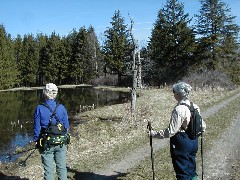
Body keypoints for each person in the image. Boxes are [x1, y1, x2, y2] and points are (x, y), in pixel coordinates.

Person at [149, 82, 206, 180]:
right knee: (192, 169)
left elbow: (171, 131)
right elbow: (203, 126)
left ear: (178, 94)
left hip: (181, 143)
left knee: (182, 172)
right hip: (194, 141)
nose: (173, 94)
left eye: (174, 92)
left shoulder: (179, 109)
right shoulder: (195, 106)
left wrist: (154, 134)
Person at [33, 83, 69, 180]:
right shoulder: (62, 107)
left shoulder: (39, 108)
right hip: (61, 143)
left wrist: (36, 141)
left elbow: (37, 128)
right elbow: (66, 127)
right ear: (55, 93)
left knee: (48, 171)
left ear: (45, 93)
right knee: (62, 168)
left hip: (46, 144)